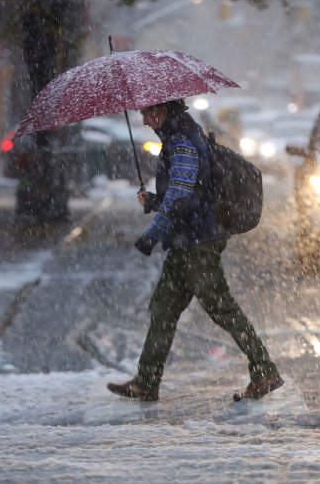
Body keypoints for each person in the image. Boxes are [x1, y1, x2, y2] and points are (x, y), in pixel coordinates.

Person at [107, 99, 283, 402]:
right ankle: (146, 381)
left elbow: (180, 197)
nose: (145, 121)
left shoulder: (182, 143)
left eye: (148, 113)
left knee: (222, 309)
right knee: (163, 308)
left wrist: (151, 235)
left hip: (197, 242)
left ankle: (264, 370)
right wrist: (152, 201)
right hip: (186, 241)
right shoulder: (181, 137)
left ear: (163, 110)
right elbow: (184, 194)